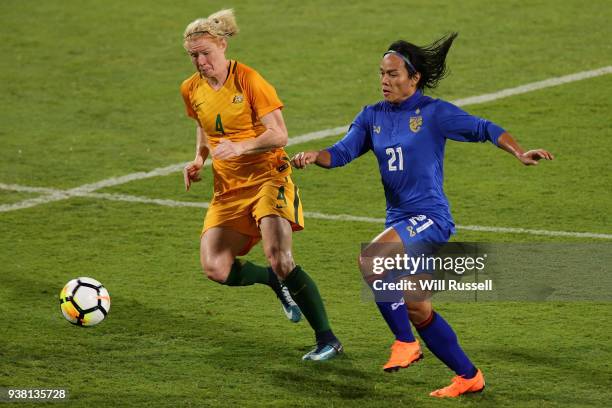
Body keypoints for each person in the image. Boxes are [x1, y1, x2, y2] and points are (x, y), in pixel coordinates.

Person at [291, 33, 553, 396]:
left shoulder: (434, 113)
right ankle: (468, 376)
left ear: (414, 78)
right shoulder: (371, 116)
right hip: (399, 221)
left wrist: (519, 152)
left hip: (430, 218)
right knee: (417, 306)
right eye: (382, 73)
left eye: (394, 74)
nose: (385, 80)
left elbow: (484, 128)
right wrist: (314, 155)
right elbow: (342, 152)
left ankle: (405, 343)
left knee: (372, 259)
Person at [180, 9, 342, 361]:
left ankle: (327, 338)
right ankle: (271, 280)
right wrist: (199, 158)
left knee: (281, 257)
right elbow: (205, 126)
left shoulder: (250, 81)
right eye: (193, 55)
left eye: (206, 52)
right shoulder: (191, 88)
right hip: (228, 188)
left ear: (222, 45)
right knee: (216, 268)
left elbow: (279, 133)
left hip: (268, 178)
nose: (201, 61)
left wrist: (241, 146)